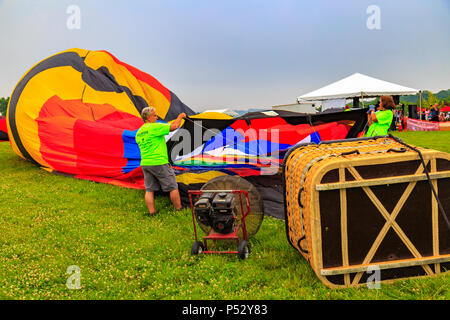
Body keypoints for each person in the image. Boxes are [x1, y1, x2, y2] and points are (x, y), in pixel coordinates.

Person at [135, 107, 186, 215]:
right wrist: (180, 117)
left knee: (149, 189)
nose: (157, 117)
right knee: (172, 186)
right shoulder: (155, 127)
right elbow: (174, 126)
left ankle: (152, 212)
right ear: (148, 118)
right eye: (155, 115)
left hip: (145, 163)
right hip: (159, 162)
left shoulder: (139, 132)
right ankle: (178, 209)